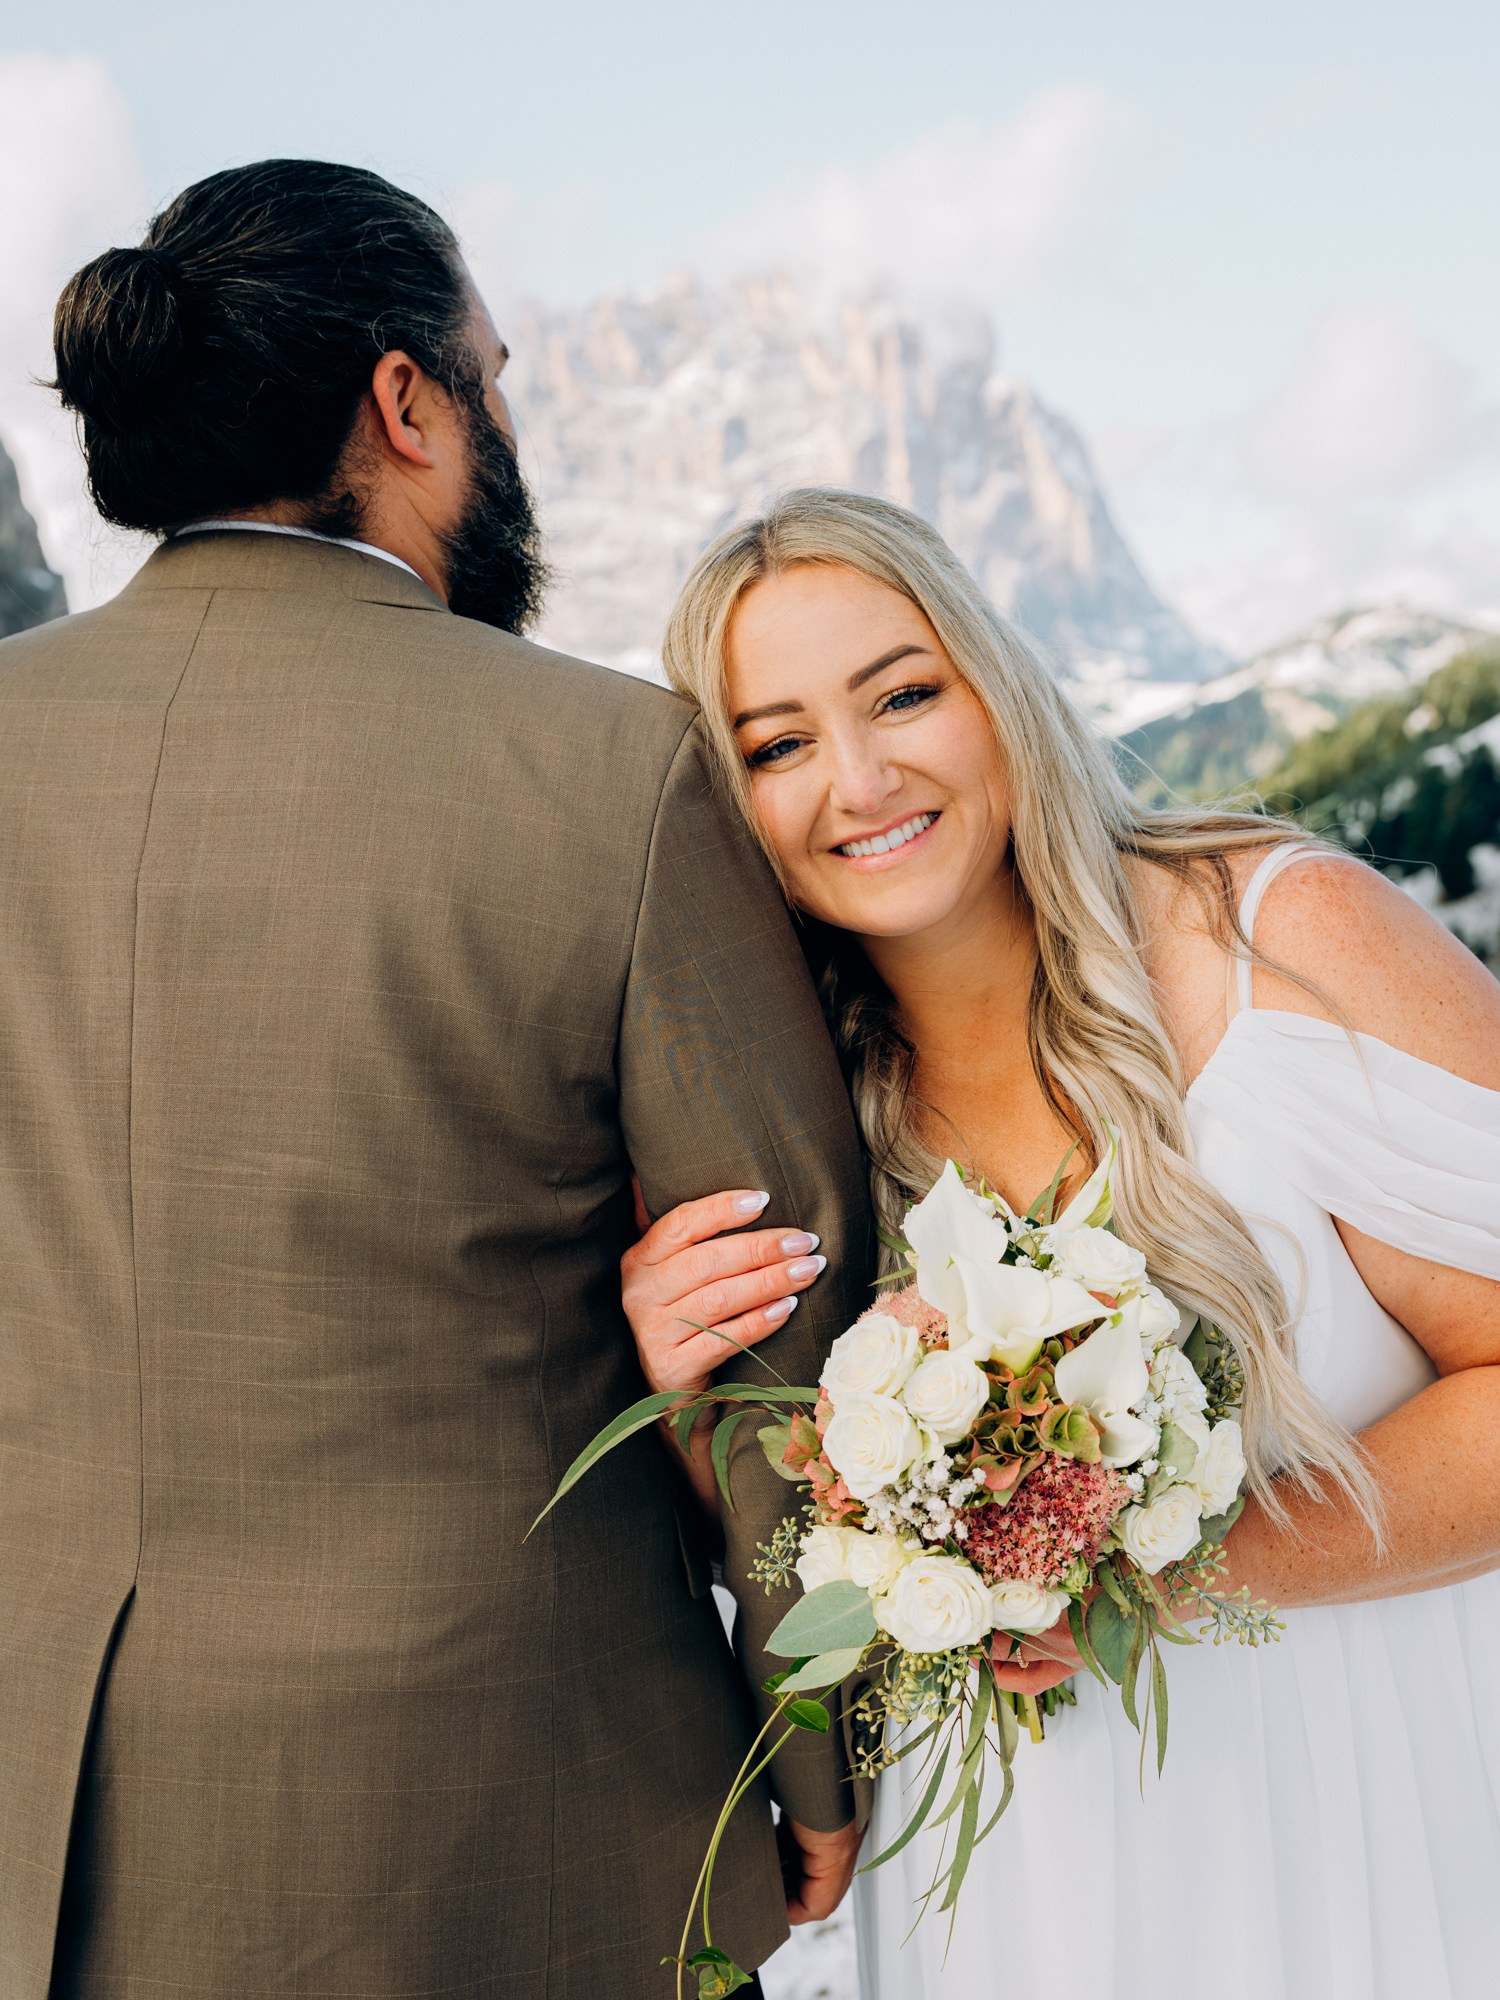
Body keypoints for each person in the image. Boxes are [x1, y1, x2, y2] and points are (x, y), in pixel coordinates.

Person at [0, 163, 871, 2000]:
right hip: (510, 1815)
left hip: (45, 1817)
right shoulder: (614, 767)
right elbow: (777, 1317)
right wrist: (811, 1754)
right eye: (495, 374)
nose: (508, 421)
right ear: (406, 402)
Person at [624, 487, 1500, 2000]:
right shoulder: (774, 1117)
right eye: (775, 744)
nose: (859, 777)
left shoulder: (1282, 940)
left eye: (903, 694)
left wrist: (1176, 1568)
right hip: (1017, 1882)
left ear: (996, 687)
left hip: (1355, 1806)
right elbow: (772, 1557)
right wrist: (684, 1384)